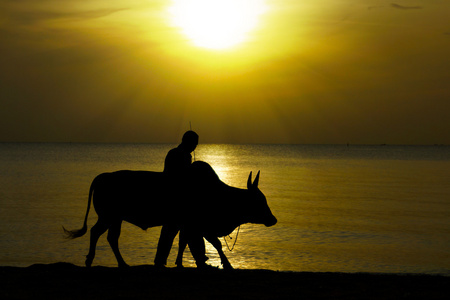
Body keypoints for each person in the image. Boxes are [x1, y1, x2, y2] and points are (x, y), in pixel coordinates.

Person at [154, 131, 208, 268]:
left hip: (173, 198)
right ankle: (200, 260)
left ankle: (160, 261)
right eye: (194, 143)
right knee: (188, 231)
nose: (195, 147)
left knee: (171, 232)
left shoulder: (173, 153)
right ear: (187, 142)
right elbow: (181, 178)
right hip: (177, 200)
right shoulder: (182, 156)